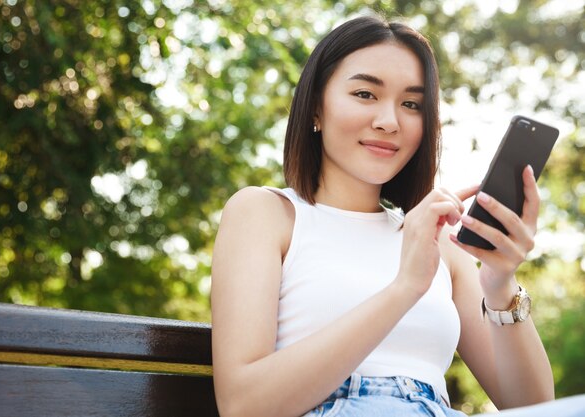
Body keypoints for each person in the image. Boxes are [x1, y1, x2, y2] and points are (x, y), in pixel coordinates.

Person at [210, 14, 555, 417]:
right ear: (315, 108)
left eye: (411, 104)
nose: (389, 122)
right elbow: (243, 405)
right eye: (365, 94)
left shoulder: (437, 241)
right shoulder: (267, 213)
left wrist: (499, 283)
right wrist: (403, 288)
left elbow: (535, 408)